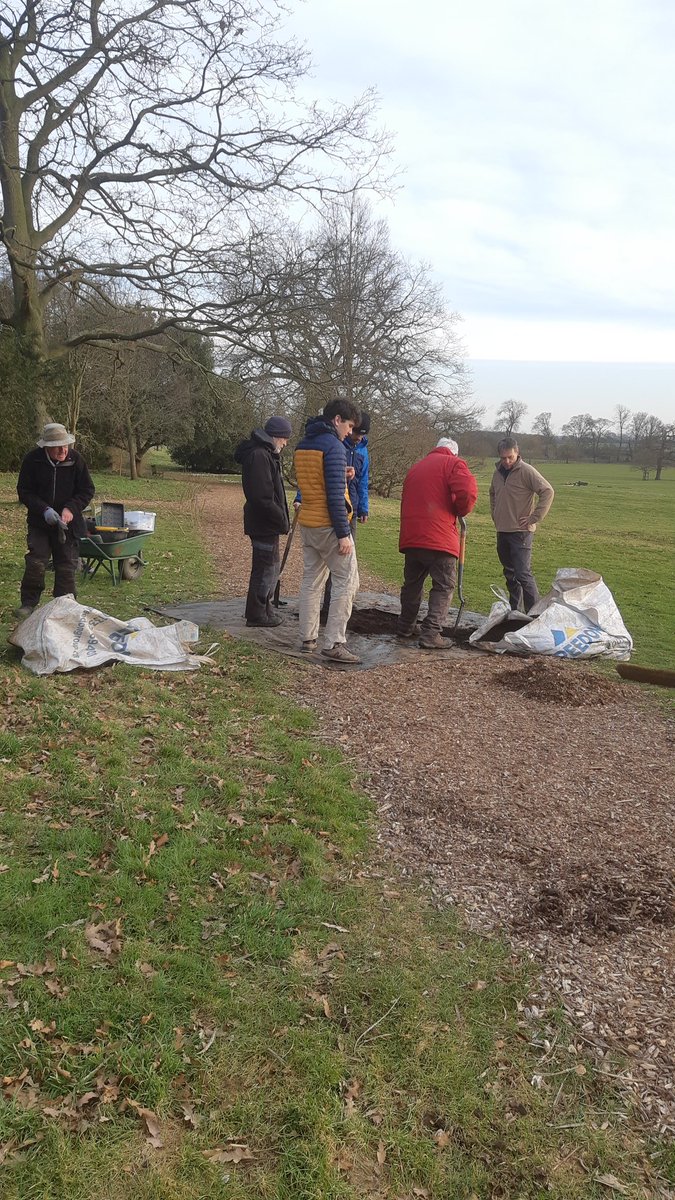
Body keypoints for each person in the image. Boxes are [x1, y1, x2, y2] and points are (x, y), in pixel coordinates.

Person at [294, 397, 362, 663]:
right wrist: (344, 534)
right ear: (336, 420)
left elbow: (314, 482)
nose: (349, 432)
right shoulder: (334, 447)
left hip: (308, 523)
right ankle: (334, 642)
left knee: (311, 581)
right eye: (348, 426)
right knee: (347, 581)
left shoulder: (303, 445)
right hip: (329, 526)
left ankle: (307, 638)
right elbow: (334, 496)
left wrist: (339, 474)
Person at [397, 437, 478, 649]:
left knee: (412, 584)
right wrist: (460, 510)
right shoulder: (454, 464)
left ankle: (405, 626)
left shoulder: (416, 467)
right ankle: (431, 633)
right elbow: (467, 491)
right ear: (454, 453)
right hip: (439, 537)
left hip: (412, 537)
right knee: (443, 585)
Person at [15, 423, 95, 620]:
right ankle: (28, 603)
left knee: (67, 565)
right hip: (40, 522)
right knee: (36, 561)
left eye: (65, 445)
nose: (63, 449)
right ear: (46, 447)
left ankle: (65, 606)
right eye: (58, 446)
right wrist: (44, 510)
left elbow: (87, 490)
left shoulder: (76, 460)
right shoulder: (32, 460)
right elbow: (24, 491)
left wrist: (71, 508)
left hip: (69, 524)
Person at [233, 416, 292, 628]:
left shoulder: (266, 454)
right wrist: (280, 518)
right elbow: (262, 497)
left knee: (270, 568)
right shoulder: (259, 456)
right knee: (264, 569)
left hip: (267, 522)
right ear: (276, 436)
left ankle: (264, 608)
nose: (285, 443)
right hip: (263, 522)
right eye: (285, 438)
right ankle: (257, 614)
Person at [489, 436, 554, 612]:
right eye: (503, 458)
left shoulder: (527, 471)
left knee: (523, 575)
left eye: (510, 457)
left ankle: (534, 615)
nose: (507, 461)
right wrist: (495, 515)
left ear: (517, 453)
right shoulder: (497, 473)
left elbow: (547, 491)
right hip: (502, 530)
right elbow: (492, 494)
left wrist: (534, 518)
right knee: (510, 574)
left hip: (521, 532)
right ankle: (515, 613)